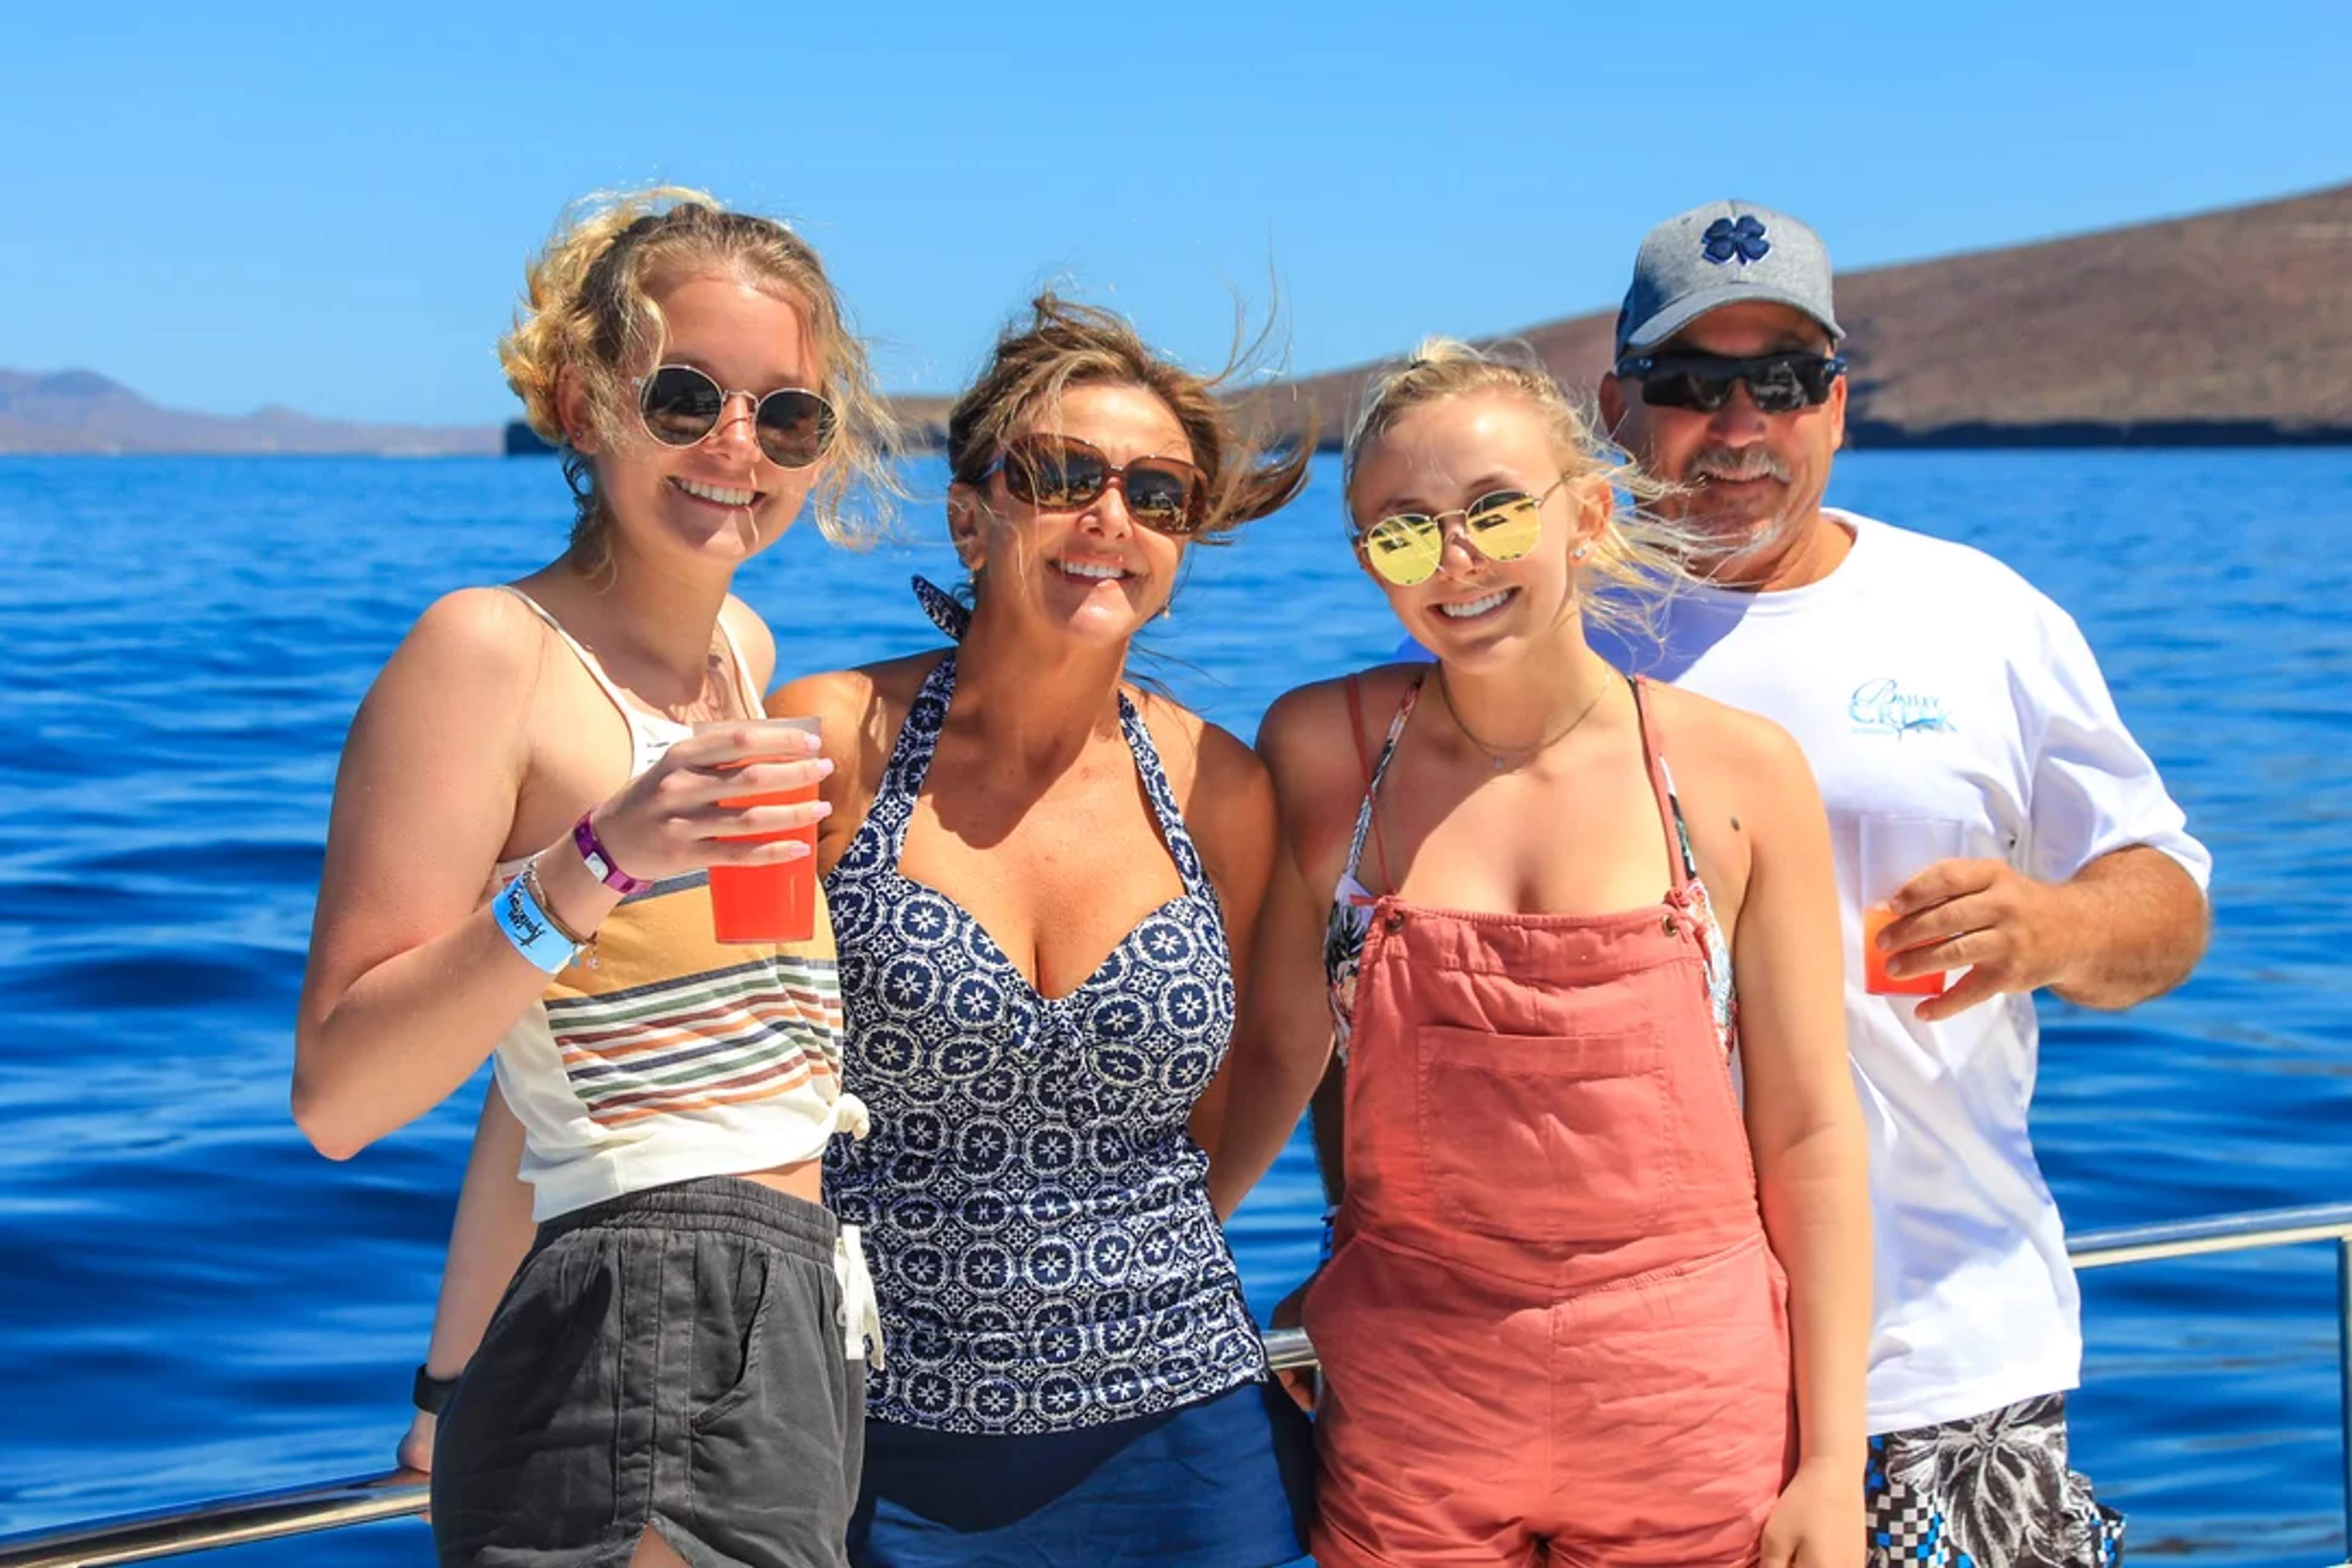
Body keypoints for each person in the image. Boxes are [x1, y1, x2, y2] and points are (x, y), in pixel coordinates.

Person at [1587, 201, 2212, 1568]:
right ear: (1617, 405)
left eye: (1786, 381)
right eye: (1693, 385)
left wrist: (2058, 924)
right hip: (1630, 1386)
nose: (1740, 422)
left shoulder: (1981, 617)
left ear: (1839, 405)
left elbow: (2167, 897)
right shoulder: (1550, 633)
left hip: (1947, 1369)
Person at [293, 187, 900, 1568]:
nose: (736, 447)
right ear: (584, 404)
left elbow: (559, 1089)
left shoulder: (742, 651)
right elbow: (338, 1090)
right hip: (642, 1339)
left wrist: (447, 1388)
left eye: (785, 414)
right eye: (685, 397)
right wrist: (597, 861)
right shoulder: (487, 655)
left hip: (790, 1318)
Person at [1210, 339, 1871, 1568]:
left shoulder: (1737, 774)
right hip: (1414, 1406)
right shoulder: (1325, 750)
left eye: (1494, 512)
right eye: (1403, 533)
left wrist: (1833, 1462)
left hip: (1688, 1408)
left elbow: (1811, 1133)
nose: (1453, 560)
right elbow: (1279, 1047)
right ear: (1369, 563)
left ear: (1590, 514)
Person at [768, 295, 1315, 1567]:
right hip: (883, 1428)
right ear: (973, 515)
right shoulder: (834, 741)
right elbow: (732, 1055)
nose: (1110, 518)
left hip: (1186, 1424)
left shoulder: (1216, 787)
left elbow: (1275, 1056)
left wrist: (1135, 1243)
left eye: (1157, 494)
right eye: (1064, 475)